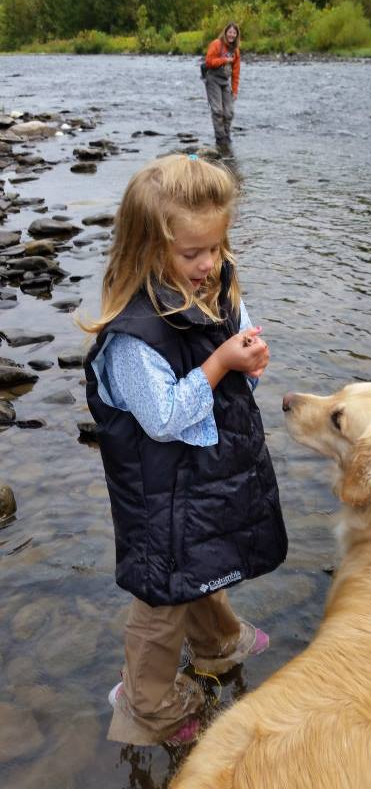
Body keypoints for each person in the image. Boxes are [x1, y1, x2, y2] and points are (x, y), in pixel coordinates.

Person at [83, 153, 287, 748]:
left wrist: (247, 359)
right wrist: (222, 362)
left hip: (201, 478)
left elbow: (239, 354)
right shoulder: (132, 338)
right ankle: (146, 706)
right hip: (159, 487)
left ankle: (218, 645)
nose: (209, 264)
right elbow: (167, 417)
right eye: (191, 253)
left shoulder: (216, 283)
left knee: (202, 560)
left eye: (217, 248)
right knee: (162, 594)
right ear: (146, 249)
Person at [203, 22, 240, 152]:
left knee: (229, 112)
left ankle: (226, 136)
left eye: (234, 33)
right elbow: (209, 61)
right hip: (212, 79)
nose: (232, 35)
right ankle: (221, 139)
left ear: (236, 35)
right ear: (225, 33)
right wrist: (224, 60)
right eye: (230, 32)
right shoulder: (216, 44)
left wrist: (235, 90)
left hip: (225, 81)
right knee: (217, 111)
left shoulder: (235, 50)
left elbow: (236, 72)